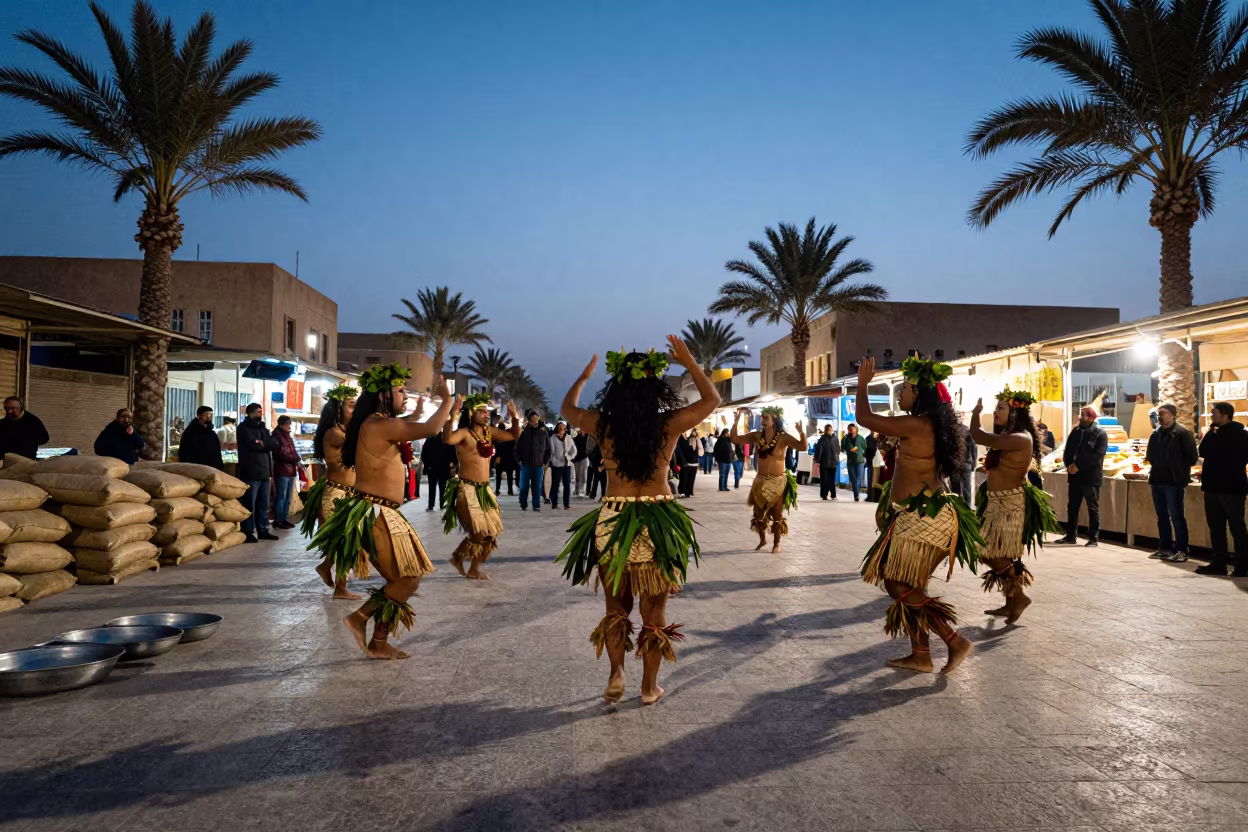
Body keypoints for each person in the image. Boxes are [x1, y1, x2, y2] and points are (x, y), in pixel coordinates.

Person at [556, 337, 719, 704]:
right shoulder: (669, 424)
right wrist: (690, 362)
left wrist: (583, 377)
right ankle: (648, 688)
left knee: (616, 607)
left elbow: (567, 407)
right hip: (658, 519)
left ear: (617, 389)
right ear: (653, 388)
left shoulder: (602, 424)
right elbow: (712, 401)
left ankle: (616, 674)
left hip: (613, 519)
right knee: (654, 610)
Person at [312, 364, 453, 660]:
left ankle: (378, 641)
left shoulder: (375, 423)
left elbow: (412, 426)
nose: (404, 393)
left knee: (406, 579)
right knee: (406, 580)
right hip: (375, 514)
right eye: (400, 389)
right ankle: (360, 620)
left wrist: (415, 413)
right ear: (382, 395)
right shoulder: (376, 425)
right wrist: (448, 401)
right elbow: (431, 429)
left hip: (383, 512)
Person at [854, 355, 980, 674]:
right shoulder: (933, 425)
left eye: (906, 388)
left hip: (921, 519)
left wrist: (863, 385)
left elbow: (864, 417)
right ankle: (921, 654)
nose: (900, 393)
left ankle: (953, 640)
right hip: (924, 517)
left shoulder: (916, 424)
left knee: (898, 585)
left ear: (920, 393)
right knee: (908, 585)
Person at [968, 388, 1061, 624]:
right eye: (996, 406)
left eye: (1001, 407)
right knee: (1006, 555)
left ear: (1014, 412)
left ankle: (1019, 597)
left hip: (1009, 504)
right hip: (999, 503)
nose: (995, 410)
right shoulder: (1012, 436)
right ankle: (1012, 604)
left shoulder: (1019, 438)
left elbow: (978, 436)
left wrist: (975, 413)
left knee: (986, 552)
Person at [442, 393, 521, 579]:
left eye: (487, 412)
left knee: (490, 534)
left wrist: (515, 417)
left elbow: (513, 434)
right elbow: (447, 439)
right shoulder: (463, 433)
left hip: (484, 490)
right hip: (466, 489)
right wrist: (452, 414)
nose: (486, 414)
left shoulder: (489, 433)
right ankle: (459, 558)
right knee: (479, 531)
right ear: (471, 414)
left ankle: (471, 567)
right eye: (482, 411)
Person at [303, 384, 361, 600]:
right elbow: (359, 444)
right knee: (342, 542)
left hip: (347, 494)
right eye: (351, 406)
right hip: (335, 496)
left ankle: (327, 568)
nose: (354, 411)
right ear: (337, 409)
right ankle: (340, 588)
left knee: (345, 541)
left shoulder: (343, 432)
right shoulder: (334, 433)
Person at [731, 405, 804, 552]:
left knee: (777, 514)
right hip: (760, 480)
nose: (762, 420)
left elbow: (803, 447)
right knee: (758, 513)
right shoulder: (757, 436)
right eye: (762, 417)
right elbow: (735, 439)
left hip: (777, 480)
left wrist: (801, 432)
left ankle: (776, 544)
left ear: (774, 419)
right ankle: (763, 540)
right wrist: (736, 422)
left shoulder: (783, 437)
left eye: (766, 417)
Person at [1197, 402, 1248, 577]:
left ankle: (1243, 565)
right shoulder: (1214, 433)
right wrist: (1210, 431)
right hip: (1212, 487)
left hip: (1232, 489)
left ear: (1225, 415)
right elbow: (1202, 451)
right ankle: (1219, 562)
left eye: (1214, 413)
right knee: (1216, 527)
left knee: (1236, 527)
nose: (1211, 416)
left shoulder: (1241, 435)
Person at [1146, 402, 1200, 563]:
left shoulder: (1183, 433)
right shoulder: (1156, 434)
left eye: (1164, 414)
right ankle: (1165, 548)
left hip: (1174, 481)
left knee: (1177, 516)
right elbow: (1150, 455)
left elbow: (1192, 458)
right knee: (1161, 516)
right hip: (1157, 480)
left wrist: (1175, 467)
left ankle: (1182, 549)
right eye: (1159, 414)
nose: (1161, 417)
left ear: (1173, 415)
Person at [1056, 406, 1108, 547]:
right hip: (1074, 476)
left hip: (1091, 477)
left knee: (1092, 508)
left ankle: (1093, 539)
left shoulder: (1100, 434)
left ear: (1091, 418)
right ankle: (1070, 536)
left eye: (1084, 415)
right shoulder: (1076, 432)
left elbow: (1097, 456)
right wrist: (1069, 465)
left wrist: (1079, 466)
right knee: (1072, 506)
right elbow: (1068, 451)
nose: (1081, 417)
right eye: (1081, 414)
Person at [237, 403, 279, 543]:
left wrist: (263, 443)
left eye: (261, 411)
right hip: (251, 471)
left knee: (263, 503)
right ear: (250, 413)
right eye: (258, 412)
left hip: (265, 472)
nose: (261, 414)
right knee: (249, 503)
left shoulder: (262, 428)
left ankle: (263, 530)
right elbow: (252, 445)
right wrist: (263, 443)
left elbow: (274, 443)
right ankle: (248, 531)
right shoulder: (243, 428)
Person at [515, 410, 550, 511]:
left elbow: (548, 450)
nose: (534, 419)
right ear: (530, 419)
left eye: (536, 417)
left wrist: (545, 462)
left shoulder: (543, 434)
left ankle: (536, 505)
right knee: (524, 486)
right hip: (526, 464)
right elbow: (517, 448)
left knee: (537, 486)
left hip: (538, 464)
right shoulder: (524, 433)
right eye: (532, 417)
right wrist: (519, 460)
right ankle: (523, 503)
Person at [271, 415, 300, 530]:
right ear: (283, 424)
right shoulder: (276, 436)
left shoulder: (287, 436)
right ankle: (278, 520)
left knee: (287, 497)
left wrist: (296, 458)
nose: (289, 426)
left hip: (290, 470)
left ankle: (284, 518)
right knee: (281, 496)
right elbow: (280, 453)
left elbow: (292, 450)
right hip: (282, 470)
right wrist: (294, 458)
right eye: (288, 424)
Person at [420, 428, 452, 513]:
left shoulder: (430, 440)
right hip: (443, 467)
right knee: (442, 487)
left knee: (432, 487)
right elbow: (451, 454)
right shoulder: (446, 440)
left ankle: (431, 506)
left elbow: (424, 454)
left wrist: (427, 464)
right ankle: (441, 505)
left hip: (433, 467)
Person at [548, 421, 576, 509]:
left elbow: (573, 449)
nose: (562, 428)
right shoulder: (552, 438)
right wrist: (553, 460)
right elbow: (551, 451)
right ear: (557, 428)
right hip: (556, 464)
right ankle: (554, 503)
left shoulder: (568, 437)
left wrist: (570, 457)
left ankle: (566, 504)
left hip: (567, 464)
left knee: (567, 484)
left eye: (563, 426)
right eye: (560, 426)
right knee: (555, 484)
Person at [950, 421, 976, 501]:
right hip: (966, 463)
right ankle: (968, 510)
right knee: (967, 489)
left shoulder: (951, 431)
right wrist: (973, 463)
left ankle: (957, 510)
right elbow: (973, 448)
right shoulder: (967, 430)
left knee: (955, 491)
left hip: (954, 464)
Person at [841, 423, 867, 501]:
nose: (851, 431)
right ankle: (856, 493)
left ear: (856, 430)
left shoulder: (861, 438)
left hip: (860, 461)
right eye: (850, 430)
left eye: (852, 429)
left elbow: (864, 448)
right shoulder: (845, 439)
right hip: (850, 461)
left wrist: (860, 453)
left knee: (858, 478)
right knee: (853, 478)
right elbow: (842, 448)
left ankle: (856, 495)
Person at [814, 424, 840, 500]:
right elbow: (838, 450)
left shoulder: (822, 439)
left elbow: (819, 450)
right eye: (829, 429)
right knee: (831, 479)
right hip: (831, 462)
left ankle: (825, 495)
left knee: (825, 479)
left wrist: (817, 459)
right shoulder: (834, 439)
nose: (830, 431)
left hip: (825, 462)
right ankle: (832, 495)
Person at [493, 418, 517, 496]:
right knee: (509, 475)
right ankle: (510, 490)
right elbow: (513, 445)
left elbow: (495, 447)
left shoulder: (496, 437)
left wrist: (496, 456)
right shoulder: (508, 436)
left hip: (499, 458)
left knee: (498, 475)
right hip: (508, 458)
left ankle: (497, 490)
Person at [675, 430, 699, 497]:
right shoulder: (684, 442)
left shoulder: (685, 442)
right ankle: (686, 491)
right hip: (687, 462)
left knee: (686, 478)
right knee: (686, 478)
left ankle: (686, 491)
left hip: (689, 462)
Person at [586, 432, 607, 499]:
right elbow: (589, 449)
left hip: (601, 458)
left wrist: (604, 458)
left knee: (600, 476)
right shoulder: (593, 435)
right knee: (599, 475)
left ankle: (596, 493)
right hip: (596, 458)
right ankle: (599, 493)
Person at [573, 428, 590, 497]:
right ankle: (576, 489)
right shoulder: (576, 438)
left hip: (584, 457)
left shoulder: (587, 437)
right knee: (577, 474)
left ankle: (581, 490)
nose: (583, 431)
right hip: (576, 458)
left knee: (583, 473)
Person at [864, 429, 879, 502]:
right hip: (872, 463)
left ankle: (872, 496)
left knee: (873, 480)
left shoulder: (879, 439)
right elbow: (866, 452)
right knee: (871, 480)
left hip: (876, 463)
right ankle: (871, 496)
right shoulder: (869, 439)